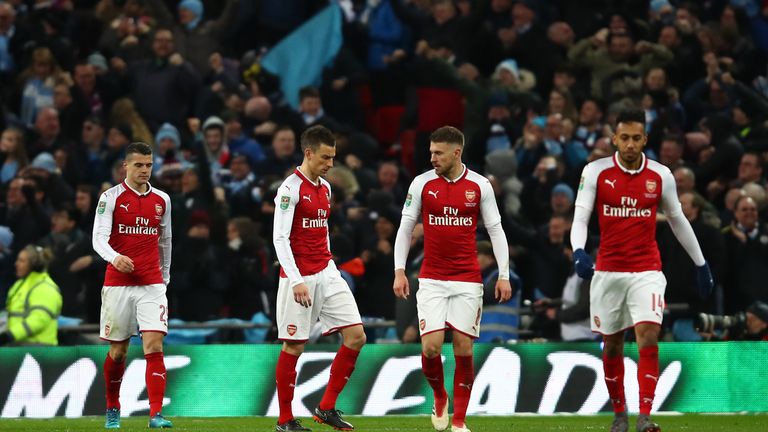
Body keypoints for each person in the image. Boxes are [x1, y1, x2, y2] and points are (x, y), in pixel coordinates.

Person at [570, 109, 713, 432]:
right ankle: (620, 414)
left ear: (645, 139)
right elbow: (580, 217)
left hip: (647, 269)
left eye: (637, 138)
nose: (631, 144)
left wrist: (701, 263)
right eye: (625, 138)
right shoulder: (595, 172)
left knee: (648, 334)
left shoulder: (661, 175)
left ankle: (645, 415)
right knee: (613, 344)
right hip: (607, 272)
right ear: (614, 139)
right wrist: (578, 250)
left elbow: (677, 219)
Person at [393, 126, 512, 432]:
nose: (432, 157)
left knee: (463, 347)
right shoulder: (421, 184)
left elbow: (496, 230)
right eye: (431, 152)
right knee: (431, 348)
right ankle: (439, 396)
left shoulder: (480, 185)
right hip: (431, 278)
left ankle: (459, 422)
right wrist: (399, 270)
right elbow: (406, 228)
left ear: (456, 152)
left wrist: (503, 274)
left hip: (467, 280)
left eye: (438, 153)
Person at [272, 125, 366, 432]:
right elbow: (280, 239)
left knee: (356, 336)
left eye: (333, 157)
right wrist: (297, 279)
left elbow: (322, 229)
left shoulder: (325, 188)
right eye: (325, 157)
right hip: (298, 278)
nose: (330, 164)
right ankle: (285, 420)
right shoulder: (289, 190)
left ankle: (326, 408)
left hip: (326, 271)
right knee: (294, 347)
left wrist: (329, 262)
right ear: (308, 153)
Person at [92, 142, 173, 429]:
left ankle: (155, 414)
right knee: (119, 352)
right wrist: (115, 258)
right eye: (138, 165)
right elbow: (98, 239)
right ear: (125, 166)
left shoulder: (162, 199)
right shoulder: (110, 198)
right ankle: (113, 405)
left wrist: (164, 276)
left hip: (152, 283)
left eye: (149, 165)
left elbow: (165, 241)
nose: (144, 170)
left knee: (154, 343)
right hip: (118, 284)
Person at [0, 245, 61, 346]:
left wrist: (9, 335)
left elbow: (39, 320)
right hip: (18, 347)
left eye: (22, 261)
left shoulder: (45, 287)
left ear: (34, 265)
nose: (16, 264)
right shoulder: (20, 284)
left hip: (39, 351)